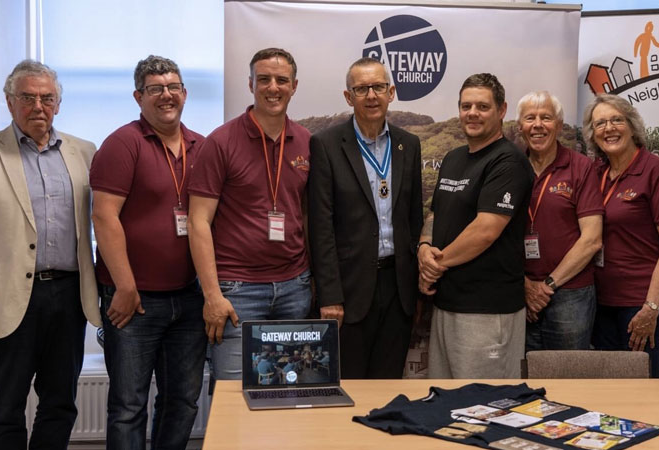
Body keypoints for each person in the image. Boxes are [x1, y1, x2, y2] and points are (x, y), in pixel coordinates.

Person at [0, 60, 100, 450]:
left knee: (60, 402)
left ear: (58, 104)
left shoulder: (84, 153)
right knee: (5, 403)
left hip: (69, 294)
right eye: (27, 97)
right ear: (10, 102)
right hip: (10, 295)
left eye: (47, 98)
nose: (38, 106)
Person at [90, 55, 205, 449]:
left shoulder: (200, 147)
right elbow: (104, 217)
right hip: (134, 301)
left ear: (185, 94)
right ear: (139, 96)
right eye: (156, 89)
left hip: (189, 299)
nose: (166, 95)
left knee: (182, 402)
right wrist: (124, 287)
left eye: (173, 87)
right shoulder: (122, 144)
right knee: (128, 405)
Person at [188, 48, 311, 380]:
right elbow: (198, 221)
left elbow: (311, 217)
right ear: (250, 84)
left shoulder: (305, 142)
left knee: (288, 392)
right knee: (234, 402)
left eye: (282, 80)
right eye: (264, 80)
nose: (273, 88)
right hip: (237, 292)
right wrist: (212, 294)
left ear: (294, 85)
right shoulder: (221, 142)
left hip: (294, 289)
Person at [307, 57, 423, 379]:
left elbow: (414, 220)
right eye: (361, 89)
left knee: (388, 386)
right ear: (348, 97)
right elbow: (321, 226)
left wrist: (413, 291)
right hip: (349, 291)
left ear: (391, 92)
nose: (371, 95)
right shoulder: (326, 145)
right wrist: (330, 296)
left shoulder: (408, 145)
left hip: (397, 289)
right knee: (350, 384)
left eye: (378, 87)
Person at [418, 73, 534, 379]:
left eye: (482, 106)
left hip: (488, 310)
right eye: (466, 105)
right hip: (446, 304)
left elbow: (485, 230)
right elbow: (435, 214)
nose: (472, 113)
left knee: (485, 410)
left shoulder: (509, 162)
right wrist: (424, 248)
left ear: (501, 110)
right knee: (446, 404)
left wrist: (435, 266)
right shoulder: (454, 158)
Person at [583, 93, 659, 378]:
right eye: (600, 124)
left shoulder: (656, 171)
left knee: (644, 390)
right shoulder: (595, 173)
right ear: (593, 135)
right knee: (609, 393)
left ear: (632, 126)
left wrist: (651, 307)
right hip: (600, 302)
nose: (609, 128)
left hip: (640, 304)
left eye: (616, 120)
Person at [516, 91, 604, 351]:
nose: (538, 125)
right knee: (525, 379)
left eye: (546, 117)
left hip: (570, 293)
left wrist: (546, 287)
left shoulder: (580, 167)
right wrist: (526, 287)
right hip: (520, 291)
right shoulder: (510, 166)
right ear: (520, 126)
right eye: (530, 118)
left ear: (560, 125)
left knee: (567, 378)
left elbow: (592, 239)